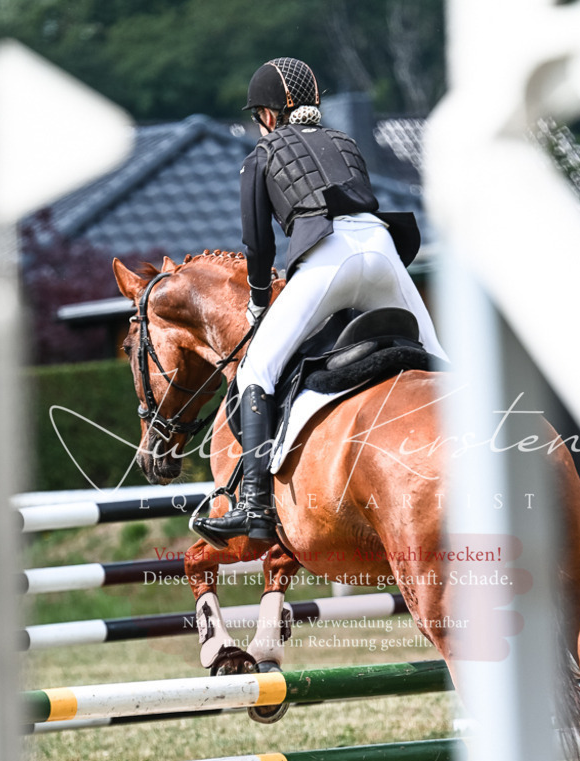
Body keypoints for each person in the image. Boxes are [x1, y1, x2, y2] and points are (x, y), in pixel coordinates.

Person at [191, 57, 449, 548]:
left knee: (256, 372)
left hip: (329, 260)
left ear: (268, 114)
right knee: (439, 358)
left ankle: (254, 505)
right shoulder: (344, 142)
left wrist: (260, 304)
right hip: (384, 252)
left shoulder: (261, 154)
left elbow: (258, 246)